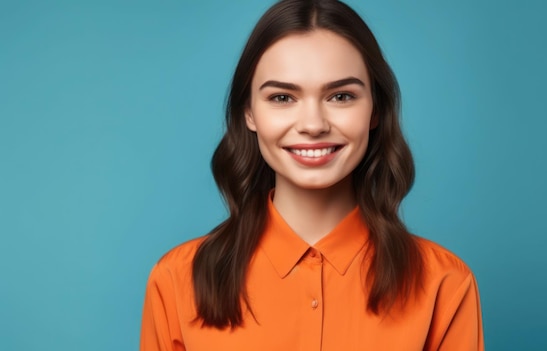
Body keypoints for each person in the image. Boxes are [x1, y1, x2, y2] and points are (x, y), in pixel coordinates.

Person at [140, 0, 484, 350]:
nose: (313, 125)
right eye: (282, 97)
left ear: (375, 110)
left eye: (340, 95)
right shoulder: (177, 281)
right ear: (249, 112)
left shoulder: (445, 283)